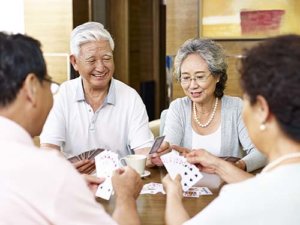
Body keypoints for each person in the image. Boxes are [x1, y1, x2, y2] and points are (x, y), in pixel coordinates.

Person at [0, 32, 143, 225]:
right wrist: (125, 196)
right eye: (49, 81)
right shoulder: (49, 170)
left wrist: (68, 186)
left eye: (107, 58)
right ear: (32, 87)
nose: (100, 67)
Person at [163, 34, 300, 225]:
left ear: (262, 109)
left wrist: (172, 195)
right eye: (186, 78)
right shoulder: (268, 188)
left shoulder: (238, 198)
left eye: (247, 100)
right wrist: (217, 164)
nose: (193, 84)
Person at [39, 22, 161, 173]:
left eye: (106, 58)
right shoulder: (63, 95)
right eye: (91, 60)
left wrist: (154, 156)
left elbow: (143, 150)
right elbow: (48, 148)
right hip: (75, 182)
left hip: (119, 184)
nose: (101, 67)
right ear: (74, 62)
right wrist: (64, 168)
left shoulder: (130, 97)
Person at [161, 38, 266, 172]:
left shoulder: (236, 108)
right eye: (186, 78)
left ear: (217, 76)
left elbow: (261, 152)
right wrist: (162, 153)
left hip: (227, 186)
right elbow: (170, 149)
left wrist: (236, 167)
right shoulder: (178, 108)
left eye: (200, 77)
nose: (192, 85)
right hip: (189, 189)